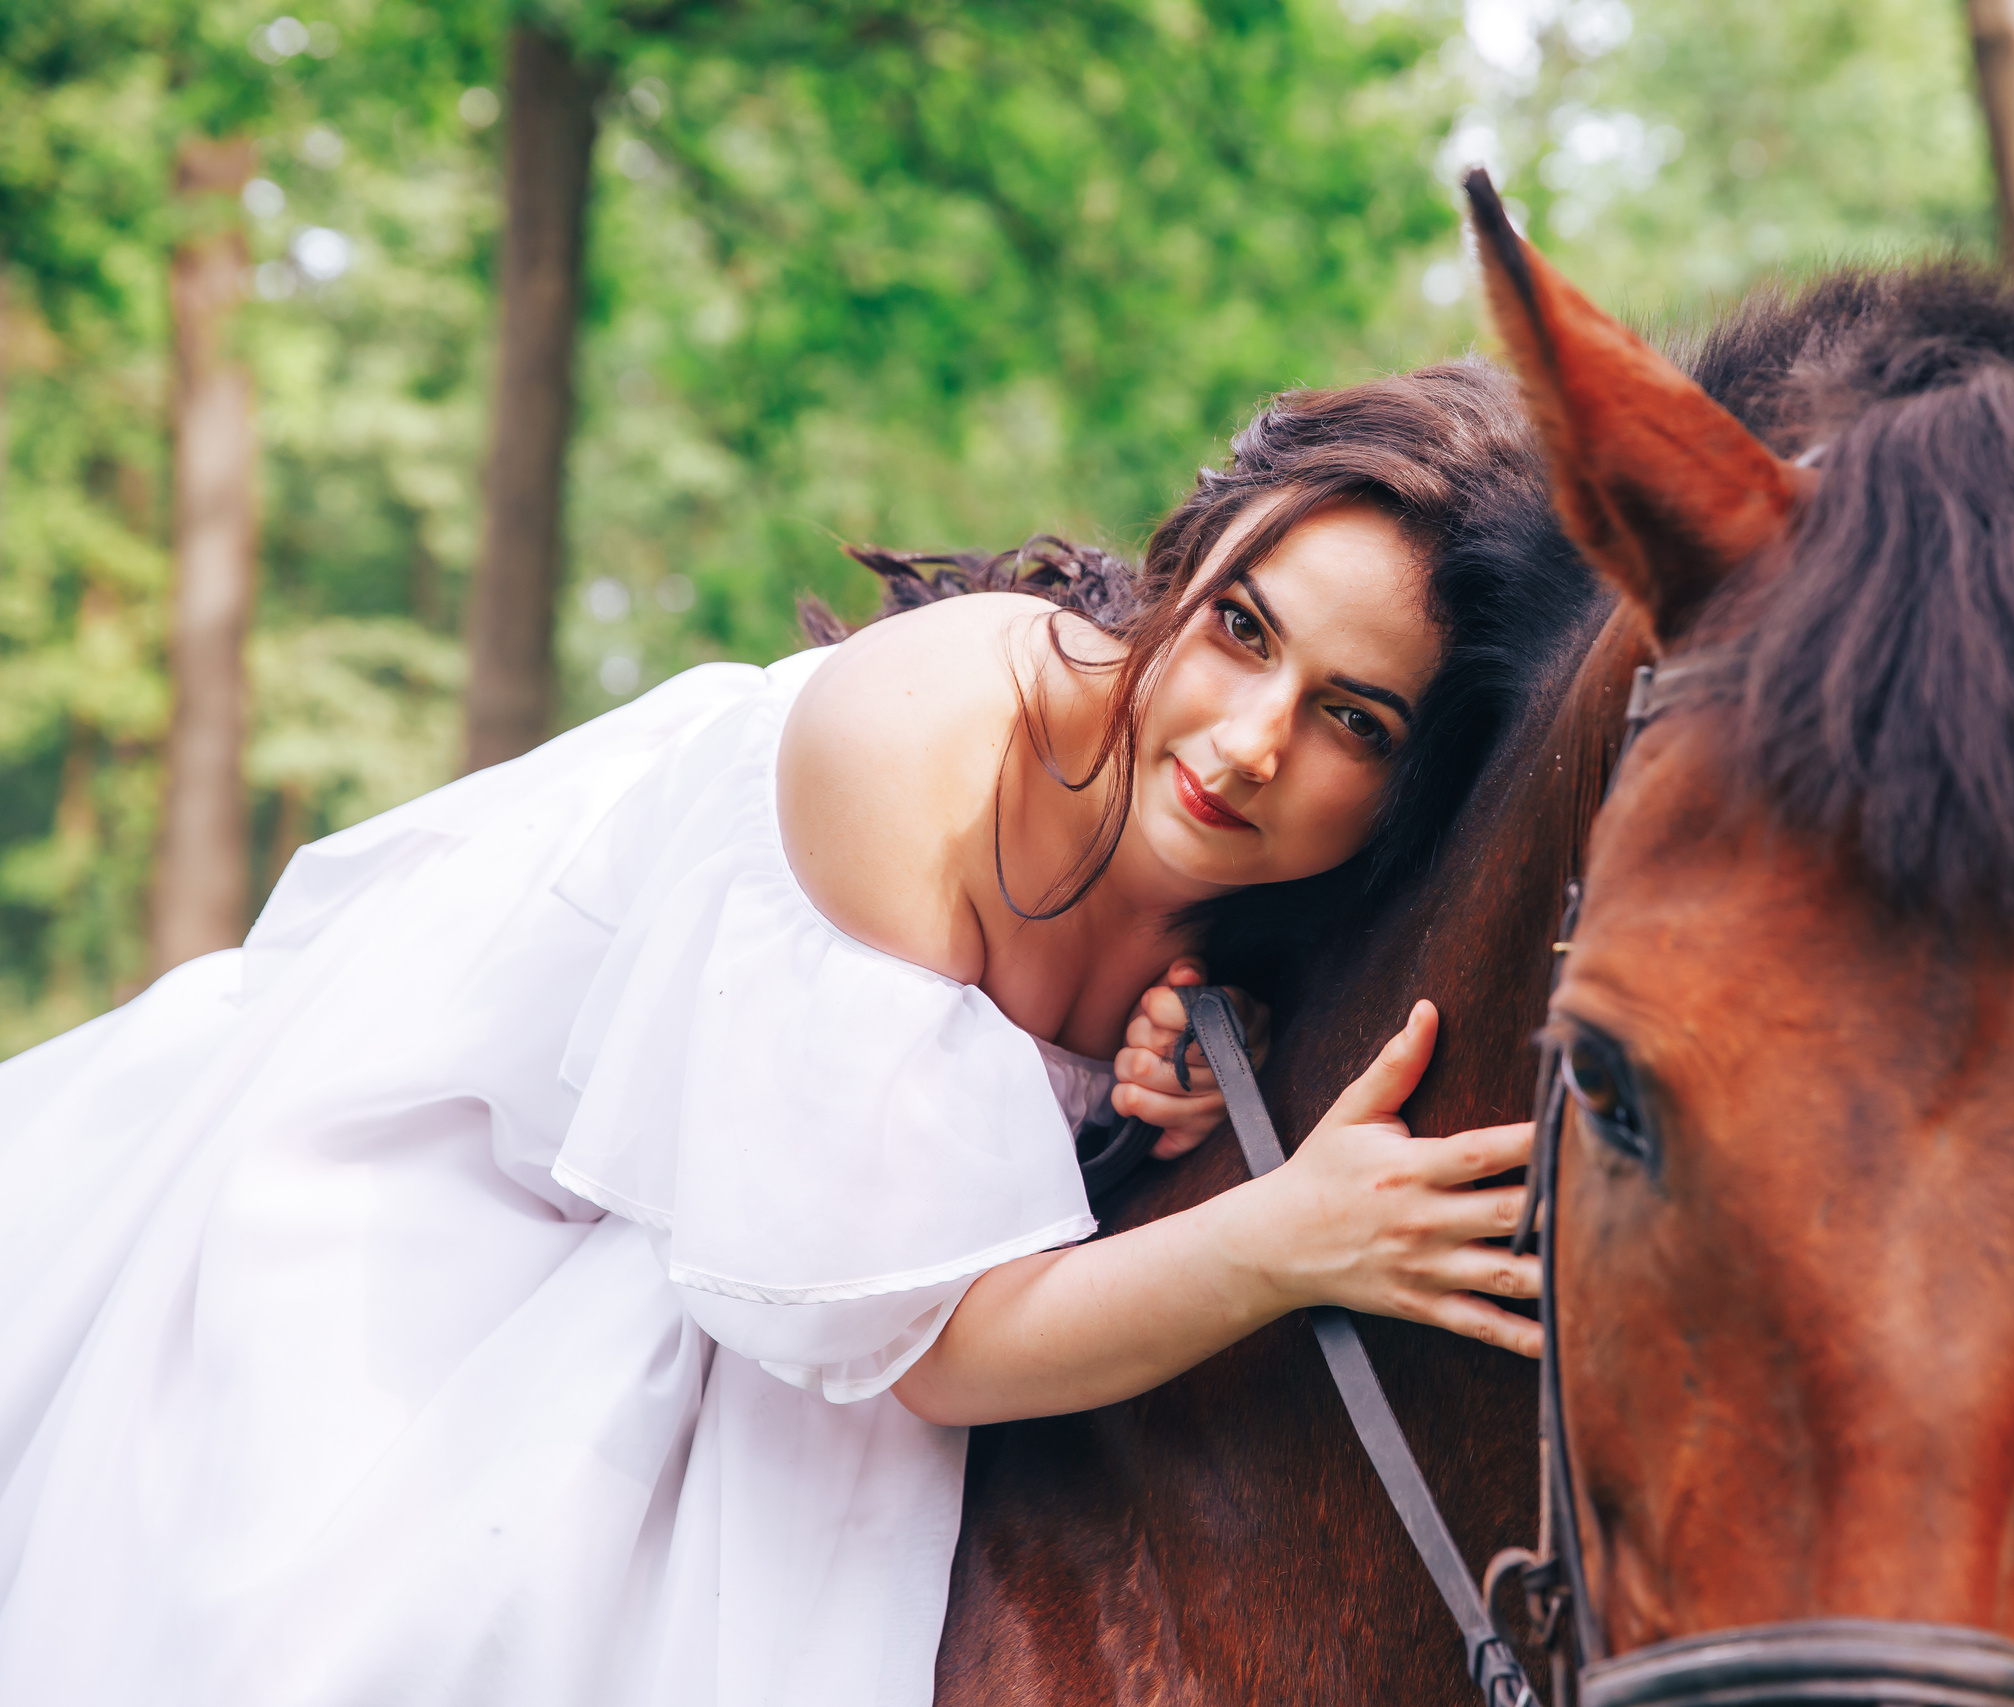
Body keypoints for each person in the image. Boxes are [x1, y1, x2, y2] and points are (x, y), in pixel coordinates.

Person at [0, 360, 1591, 1705]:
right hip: (517, 1181)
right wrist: (1284, 1239)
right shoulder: (919, 745)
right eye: (1244, 627)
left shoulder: (1289, 887)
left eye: (1353, 719)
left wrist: (1162, 1058)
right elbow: (915, 1347)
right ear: (1190, 565)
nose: (1248, 747)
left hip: (827, 1280)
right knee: (404, 1609)